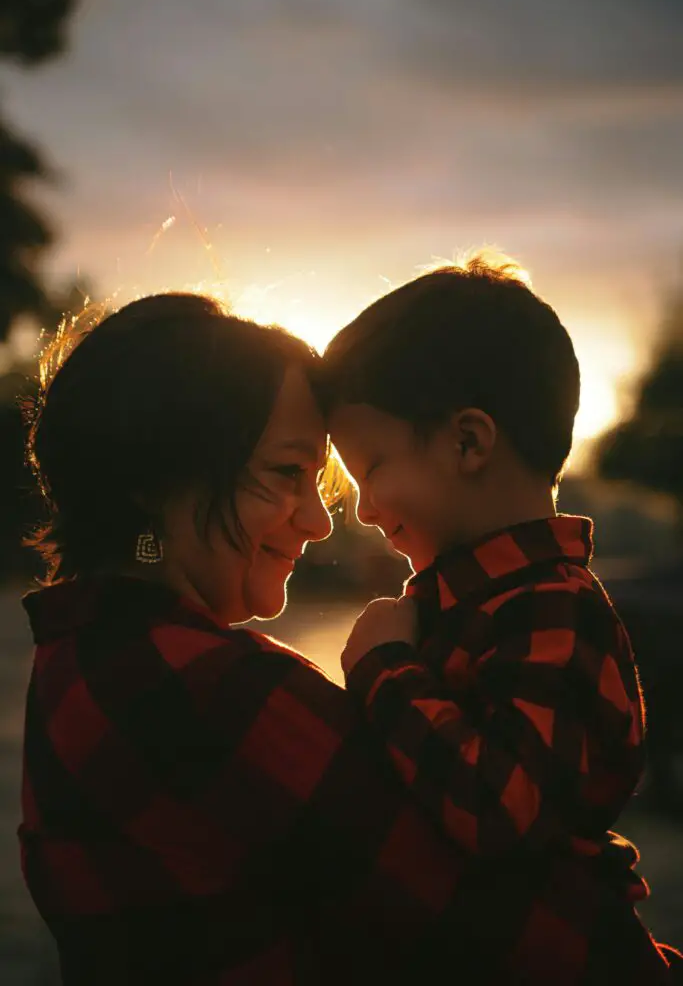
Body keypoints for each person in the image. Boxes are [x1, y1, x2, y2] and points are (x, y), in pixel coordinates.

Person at [19, 291, 474, 985]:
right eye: (287, 473)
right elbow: (487, 917)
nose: (319, 523)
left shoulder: (76, 653)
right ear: (157, 474)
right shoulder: (204, 684)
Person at [323, 253, 683, 982]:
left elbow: (498, 811)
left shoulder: (553, 607)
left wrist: (384, 670)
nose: (362, 509)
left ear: (466, 442)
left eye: (371, 468)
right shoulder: (462, 602)